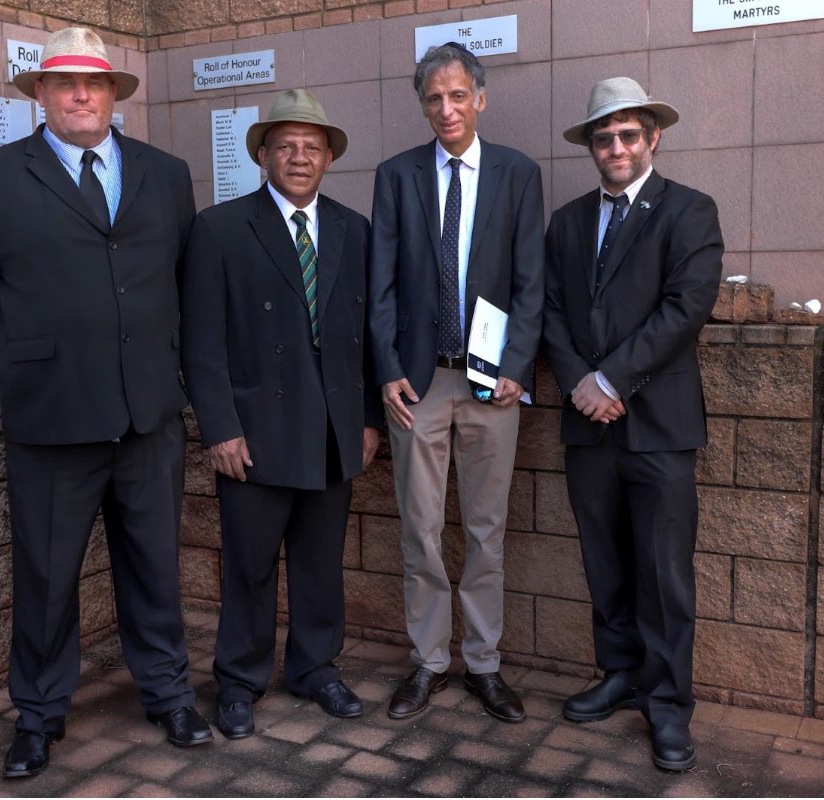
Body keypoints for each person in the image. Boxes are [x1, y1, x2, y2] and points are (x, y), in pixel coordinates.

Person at [0, 27, 211, 779]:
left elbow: (183, 285)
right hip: (52, 416)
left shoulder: (167, 173)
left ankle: (168, 691)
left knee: (155, 565)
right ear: (41, 96)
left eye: (94, 83)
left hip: (148, 414)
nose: (81, 94)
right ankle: (40, 713)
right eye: (64, 84)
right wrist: (31, 350)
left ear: (115, 93)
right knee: (48, 576)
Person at [180, 89, 381, 739]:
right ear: (263, 155)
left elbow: (368, 335)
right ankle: (239, 681)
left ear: (328, 159)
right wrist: (219, 427)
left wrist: (369, 418)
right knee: (251, 563)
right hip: (255, 432)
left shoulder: (355, 229)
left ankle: (315, 668)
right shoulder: (219, 229)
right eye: (286, 146)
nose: (299, 157)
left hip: (331, 429)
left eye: (312, 148)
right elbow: (200, 341)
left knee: (322, 561)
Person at [541, 76, 724, 771]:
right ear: (591, 145)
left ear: (652, 138)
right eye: (602, 136)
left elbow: (686, 307)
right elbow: (552, 312)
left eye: (626, 135)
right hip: (590, 427)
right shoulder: (566, 222)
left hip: (658, 426)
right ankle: (619, 674)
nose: (614, 147)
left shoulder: (688, 211)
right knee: (606, 561)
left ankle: (669, 704)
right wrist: (582, 385)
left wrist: (612, 380)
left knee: (664, 573)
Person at [368, 43, 544, 723]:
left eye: (457, 95)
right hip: (417, 383)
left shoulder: (517, 174)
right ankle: (429, 662)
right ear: (423, 105)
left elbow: (531, 282)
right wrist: (387, 369)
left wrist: (516, 368)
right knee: (418, 528)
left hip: (490, 385)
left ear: (480, 98)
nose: (446, 108)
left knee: (486, 529)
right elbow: (378, 285)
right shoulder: (396, 175)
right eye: (433, 98)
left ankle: (486, 665)